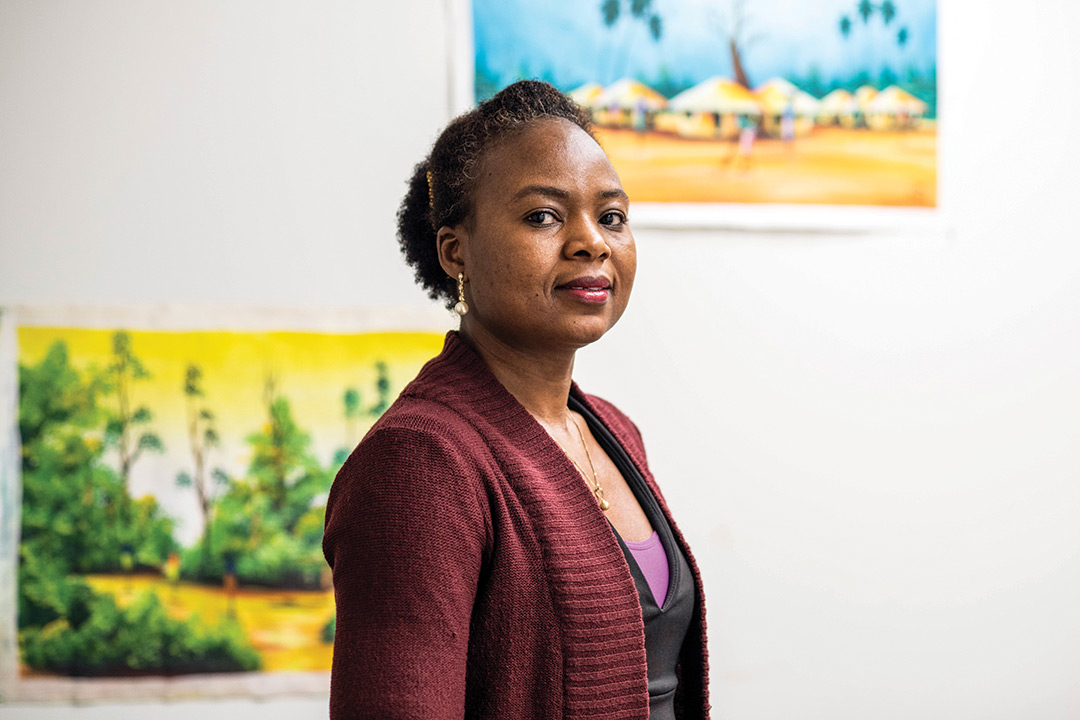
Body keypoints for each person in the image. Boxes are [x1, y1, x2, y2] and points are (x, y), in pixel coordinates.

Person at [322, 80, 708, 719]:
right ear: (456, 252)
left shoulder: (613, 431)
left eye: (611, 216)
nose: (593, 243)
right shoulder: (422, 465)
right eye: (543, 216)